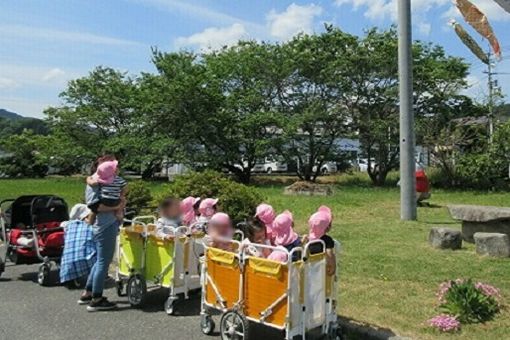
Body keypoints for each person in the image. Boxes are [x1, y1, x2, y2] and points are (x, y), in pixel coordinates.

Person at [79, 155, 125, 312]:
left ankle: (88, 292)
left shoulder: (105, 180)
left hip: (104, 224)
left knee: (100, 260)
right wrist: (117, 207)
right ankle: (96, 299)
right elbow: (96, 207)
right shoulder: (96, 182)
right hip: (105, 226)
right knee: (103, 262)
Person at [60, 204, 96, 285]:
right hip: (88, 260)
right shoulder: (90, 227)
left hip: (66, 265)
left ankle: (70, 276)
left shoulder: (67, 226)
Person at [307, 206, 336, 276]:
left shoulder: (309, 240)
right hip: (322, 272)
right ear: (327, 227)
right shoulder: (327, 240)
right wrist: (333, 266)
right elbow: (329, 254)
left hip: (309, 271)